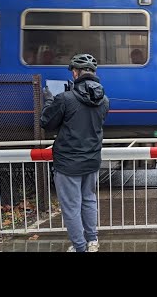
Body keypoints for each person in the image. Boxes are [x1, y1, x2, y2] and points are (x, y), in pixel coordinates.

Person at [40, 53, 109, 252]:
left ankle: (79, 247)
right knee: (88, 199)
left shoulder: (65, 98)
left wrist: (49, 102)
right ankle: (92, 241)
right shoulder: (104, 100)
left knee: (71, 205)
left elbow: (47, 123)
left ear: (75, 73)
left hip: (68, 162)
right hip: (92, 159)